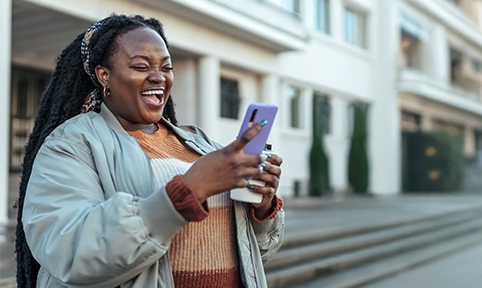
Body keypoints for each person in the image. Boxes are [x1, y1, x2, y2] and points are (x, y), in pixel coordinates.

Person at [15, 14, 284, 288]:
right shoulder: (70, 143)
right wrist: (187, 191)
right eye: (141, 66)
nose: (158, 77)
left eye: (166, 68)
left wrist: (262, 207)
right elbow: (69, 252)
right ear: (104, 75)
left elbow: (253, 255)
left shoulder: (200, 142)